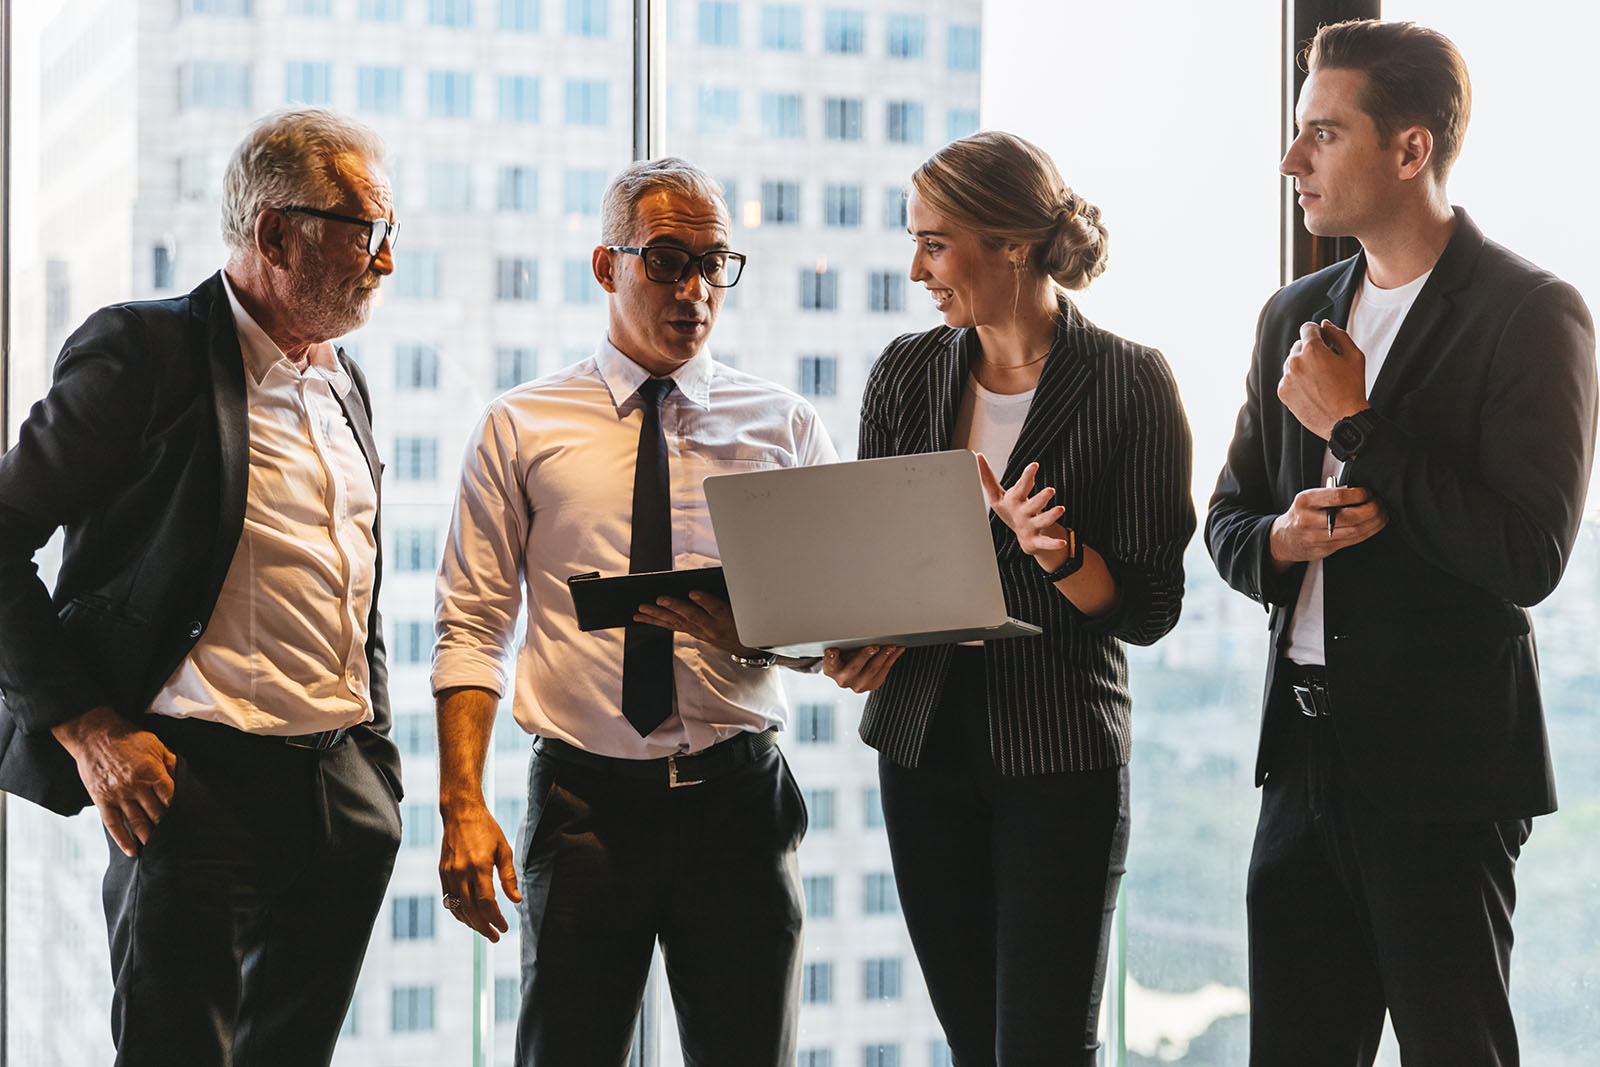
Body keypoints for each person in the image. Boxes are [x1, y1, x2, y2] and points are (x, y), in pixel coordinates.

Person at [1207, 19, 1597, 1065]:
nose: (1293, 161)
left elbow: (1528, 552)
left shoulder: (1532, 312)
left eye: (1323, 135)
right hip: (1298, 759)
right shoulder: (1290, 311)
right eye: (1298, 132)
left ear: (1410, 148)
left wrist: (1356, 428)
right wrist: (1281, 541)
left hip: (1445, 772)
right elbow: (1228, 519)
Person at [0, 108, 404, 1066]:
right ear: (275, 233)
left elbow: (356, 586)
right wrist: (88, 729)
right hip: (190, 790)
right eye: (366, 232)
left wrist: (376, 765)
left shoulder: (347, 385)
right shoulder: (146, 352)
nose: (384, 261)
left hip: (338, 792)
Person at [432, 156, 836, 1067]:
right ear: (606, 265)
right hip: (584, 805)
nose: (694, 288)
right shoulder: (519, 426)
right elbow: (471, 625)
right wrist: (461, 801)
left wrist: (765, 635)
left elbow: (831, 629)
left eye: (715, 264)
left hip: (739, 803)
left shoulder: (784, 426)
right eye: (667, 259)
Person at [824, 130, 1196, 1066]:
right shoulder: (906, 373)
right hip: (922, 747)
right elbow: (880, 567)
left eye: (935, 243)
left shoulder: (1131, 382)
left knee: (1044, 1048)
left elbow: (1148, 608)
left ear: (1013, 245)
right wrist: (853, 641)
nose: (917, 269)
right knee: (973, 1043)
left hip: (1059, 754)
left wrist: (1064, 555)